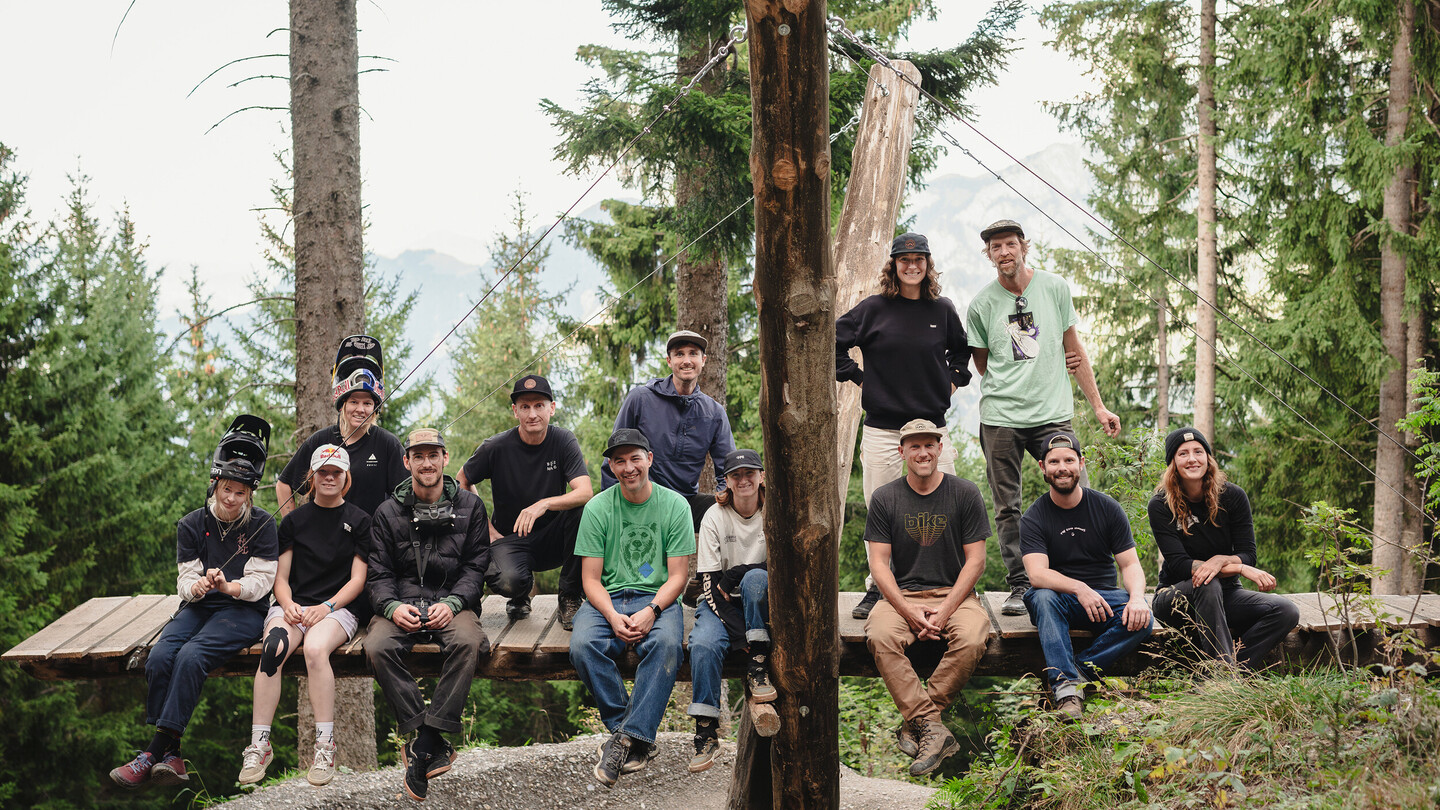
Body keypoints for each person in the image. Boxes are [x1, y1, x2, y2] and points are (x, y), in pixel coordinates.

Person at [110, 416, 279, 789]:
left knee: (192, 656)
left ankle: (153, 751)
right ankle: (173, 754)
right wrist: (199, 586)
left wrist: (229, 586)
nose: (232, 498)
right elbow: (184, 578)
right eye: (227, 489)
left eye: (241, 492)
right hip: (200, 606)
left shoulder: (264, 525)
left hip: (243, 611)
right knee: (159, 657)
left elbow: (262, 582)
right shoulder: (190, 524)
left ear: (251, 493)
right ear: (215, 484)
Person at [966, 220, 1121, 617]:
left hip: (1053, 414)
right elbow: (984, 366)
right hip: (1001, 416)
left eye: (1010, 244)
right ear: (989, 255)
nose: (1004, 252)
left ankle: (1089, 580)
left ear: (1024, 247)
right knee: (1007, 506)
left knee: (1079, 494)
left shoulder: (1053, 288)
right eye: (996, 247)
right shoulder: (982, 304)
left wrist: (1099, 406)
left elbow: (1075, 348)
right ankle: (1022, 583)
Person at [837, 232, 973, 621]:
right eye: (904, 259)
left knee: (946, 508)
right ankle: (878, 588)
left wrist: (952, 379)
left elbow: (961, 351)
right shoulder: (874, 309)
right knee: (882, 507)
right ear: (893, 266)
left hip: (932, 428)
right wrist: (861, 378)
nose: (912, 266)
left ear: (928, 265)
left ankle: (950, 588)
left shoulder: (941, 309)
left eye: (919, 259)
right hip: (883, 427)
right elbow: (832, 340)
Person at [365, 428, 491, 802]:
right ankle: (427, 733)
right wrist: (391, 607)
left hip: (452, 603)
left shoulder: (470, 506)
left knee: (469, 642)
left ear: (445, 458)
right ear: (407, 462)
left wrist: (453, 603)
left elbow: (476, 566)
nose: (426, 463)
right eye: (418, 456)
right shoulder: (387, 512)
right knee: (376, 645)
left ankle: (424, 743)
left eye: (432, 455)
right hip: (403, 602)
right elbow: (379, 572)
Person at [239, 444, 372, 787]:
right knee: (273, 648)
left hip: (337, 609)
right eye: (322, 472)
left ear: (346, 478)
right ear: (311, 478)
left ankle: (325, 746)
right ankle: (259, 744)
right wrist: (287, 605)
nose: (329, 478)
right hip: (294, 606)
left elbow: (358, 580)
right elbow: (280, 580)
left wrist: (326, 607)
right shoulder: (294, 521)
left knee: (315, 649)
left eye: (336, 473)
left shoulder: (359, 520)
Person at [864, 420, 991, 776]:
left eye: (929, 445)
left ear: (941, 449)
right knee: (880, 636)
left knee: (972, 637)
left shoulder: (965, 493)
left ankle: (918, 724)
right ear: (901, 451)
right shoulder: (885, 497)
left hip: (956, 595)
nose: (923, 453)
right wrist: (907, 610)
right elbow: (879, 564)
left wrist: (944, 610)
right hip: (900, 596)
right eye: (914, 446)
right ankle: (933, 727)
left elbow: (976, 561)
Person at [571, 428, 693, 787]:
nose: (628, 467)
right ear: (611, 466)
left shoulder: (674, 506)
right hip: (607, 598)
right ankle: (632, 736)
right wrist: (610, 614)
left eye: (635, 458)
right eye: (619, 461)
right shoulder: (597, 508)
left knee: (667, 645)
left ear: (649, 459)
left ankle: (621, 741)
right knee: (582, 646)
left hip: (657, 598)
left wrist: (652, 610)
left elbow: (678, 576)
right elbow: (590, 579)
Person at [1021, 432, 1151, 720]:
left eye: (1069, 460)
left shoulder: (1107, 508)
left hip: (1103, 600)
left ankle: (1076, 671)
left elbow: (1129, 565)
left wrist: (1138, 598)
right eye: (1054, 462)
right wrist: (1079, 588)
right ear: (1042, 467)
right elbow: (1037, 575)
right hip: (1058, 601)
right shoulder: (1034, 517)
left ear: (1081, 463)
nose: (1062, 467)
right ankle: (1067, 693)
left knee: (1144, 617)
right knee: (1041, 597)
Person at [1149, 426, 1299, 668]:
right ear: (1173, 463)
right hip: (1174, 598)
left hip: (1227, 594)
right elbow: (1180, 565)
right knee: (1207, 582)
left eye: (1198, 451)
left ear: (1208, 458)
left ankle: (1232, 672)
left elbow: (1248, 554)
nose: (1192, 459)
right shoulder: (1160, 504)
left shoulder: (1233, 497)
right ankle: (1222, 677)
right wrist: (1238, 568)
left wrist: (1220, 560)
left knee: (1286, 611)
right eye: (1183, 453)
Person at [458, 374, 592, 629]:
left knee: (583, 510)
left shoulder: (563, 440)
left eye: (539, 405)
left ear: (551, 408)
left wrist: (543, 504)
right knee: (509, 580)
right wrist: (487, 530)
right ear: (515, 411)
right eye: (525, 407)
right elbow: (462, 481)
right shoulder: (495, 447)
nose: (532, 414)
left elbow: (585, 491)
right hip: (510, 540)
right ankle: (519, 595)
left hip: (554, 538)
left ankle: (570, 596)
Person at [686, 448, 775, 774]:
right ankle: (706, 732)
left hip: (763, 599)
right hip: (718, 602)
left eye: (750, 473)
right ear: (726, 481)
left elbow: (784, 565)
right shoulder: (715, 515)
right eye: (736, 475)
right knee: (703, 644)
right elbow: (709, 585)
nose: (744, 480)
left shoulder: (773, 509)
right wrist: (739, 634)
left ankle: (758, 665)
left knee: (753, 579)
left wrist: (739, 572)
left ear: (761, 476)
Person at [601, 329, 735, 529]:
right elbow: (614, 455)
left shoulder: (714, 412)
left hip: (685, 502)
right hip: (641, 500)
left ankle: (723, 562)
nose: (686, 360)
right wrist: (614, 509)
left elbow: (728, 468)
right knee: (646, 558)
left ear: (703, 360)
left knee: (733, 509)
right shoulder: (641, 398)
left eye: (693, 353)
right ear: (669, 361)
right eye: (679, 354)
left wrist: (727, 496)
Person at [276, 334, 407, 518]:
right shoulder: (320, 440)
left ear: (375, 408)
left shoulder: (387, 444)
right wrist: (295, 530)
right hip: (324, 540)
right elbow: (284, 485)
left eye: (368, 403)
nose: (360, 409)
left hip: (370, 542)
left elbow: (407, 494)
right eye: (354, 402)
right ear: (342, 403)